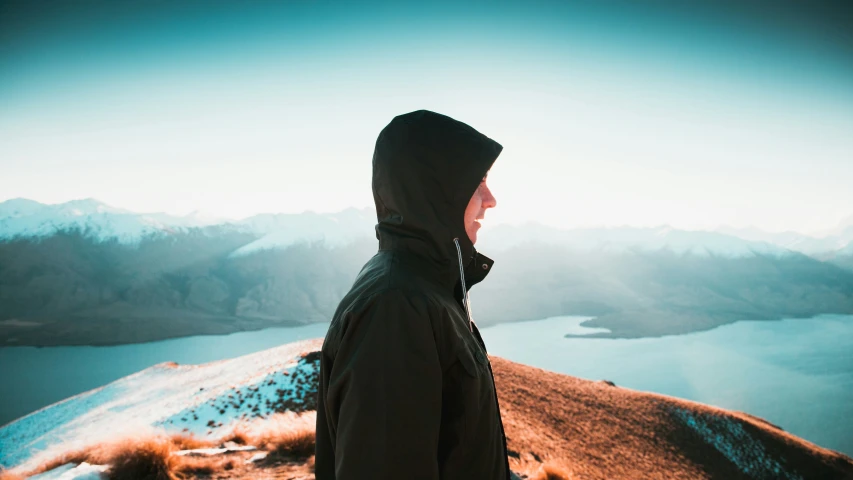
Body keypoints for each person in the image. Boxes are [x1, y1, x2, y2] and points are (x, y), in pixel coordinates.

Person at [315, 109, 514, 480]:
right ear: (437, 192)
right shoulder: (396, 308)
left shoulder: (422, 286)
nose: (490, 199)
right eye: (477, 182)